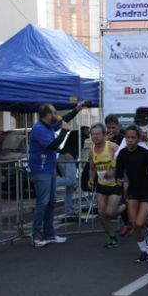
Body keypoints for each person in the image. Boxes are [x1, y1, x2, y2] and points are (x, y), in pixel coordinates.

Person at [29, 102, 87, 247]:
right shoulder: (38, 128)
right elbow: (52, 146)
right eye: (54, 113)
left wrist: (77, 109)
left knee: (51, 202)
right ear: (48, 115)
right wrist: (63, 131)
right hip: (40, 170)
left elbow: (65, 119)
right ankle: (36, 236)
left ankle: (49, 233)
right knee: (43, 202)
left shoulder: (48, 126)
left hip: (50, 169)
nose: (57, 115)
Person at [115, 107, 148, 249]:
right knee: (136, 216)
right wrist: (131, 145)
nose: (140, 125)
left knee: (144, 211)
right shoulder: (131, 136)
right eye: (138, 122)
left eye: (143, 122)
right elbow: (117, 155)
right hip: (135, 177)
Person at [87, 123, 123, 248]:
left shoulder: (112, 147)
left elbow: (124, 161)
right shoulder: (92, 151)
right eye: (92, 134)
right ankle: (112, 236)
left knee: (110, 212)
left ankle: (126, 206)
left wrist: (113, 171)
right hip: (102, 185)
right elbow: (92, 167)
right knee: (102, 213)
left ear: (104, 134)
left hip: (115, 184)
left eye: (97, 134)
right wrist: (91, 178)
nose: (95, 136)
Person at [57, 126, 89, 218]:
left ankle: (69, 210)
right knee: (71, 181)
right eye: (88, 130)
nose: (89, 132)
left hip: (66, 158)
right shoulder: (79, 135)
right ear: (83, 130)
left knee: (70, 186)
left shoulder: (76, 135)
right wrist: (70, 153)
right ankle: (52, 182)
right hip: (68, 158)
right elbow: (73, 148)